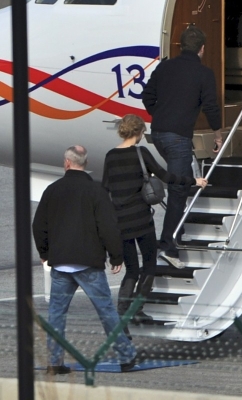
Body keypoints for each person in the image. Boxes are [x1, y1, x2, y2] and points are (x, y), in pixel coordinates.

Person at [32, 145, 137, 374]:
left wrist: (45, 253)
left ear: (67, 163)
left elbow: (39, 225)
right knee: (106, 312)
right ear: (85, 164)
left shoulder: (52, 190)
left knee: (56, 314)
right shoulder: (96, 191)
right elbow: (108, 226)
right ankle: (126, 356)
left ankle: (54, 362)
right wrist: (116, 255)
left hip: (61, 264)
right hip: (89, 264)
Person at [102, 114, 207, 335]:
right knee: (149, 264)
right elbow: (166, 176)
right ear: (139, 132)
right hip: (141, 220)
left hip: (121, 222)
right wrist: (193, 181)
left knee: (131, 269)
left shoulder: (110, 156)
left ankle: (122, 310)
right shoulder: (141, 153)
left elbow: (105, 189)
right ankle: (137, 308)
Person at [142, 25, 222, 268]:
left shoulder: (164, 66)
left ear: (181, 46)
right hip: (178, 138)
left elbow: (147, 97)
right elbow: (210, 106)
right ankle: (168, 245)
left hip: (158, 134)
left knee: (184, 179)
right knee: (178, 190)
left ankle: (178, 230)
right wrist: (218, 136)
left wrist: (161, 117)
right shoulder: (203, 73)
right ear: (202, 49)